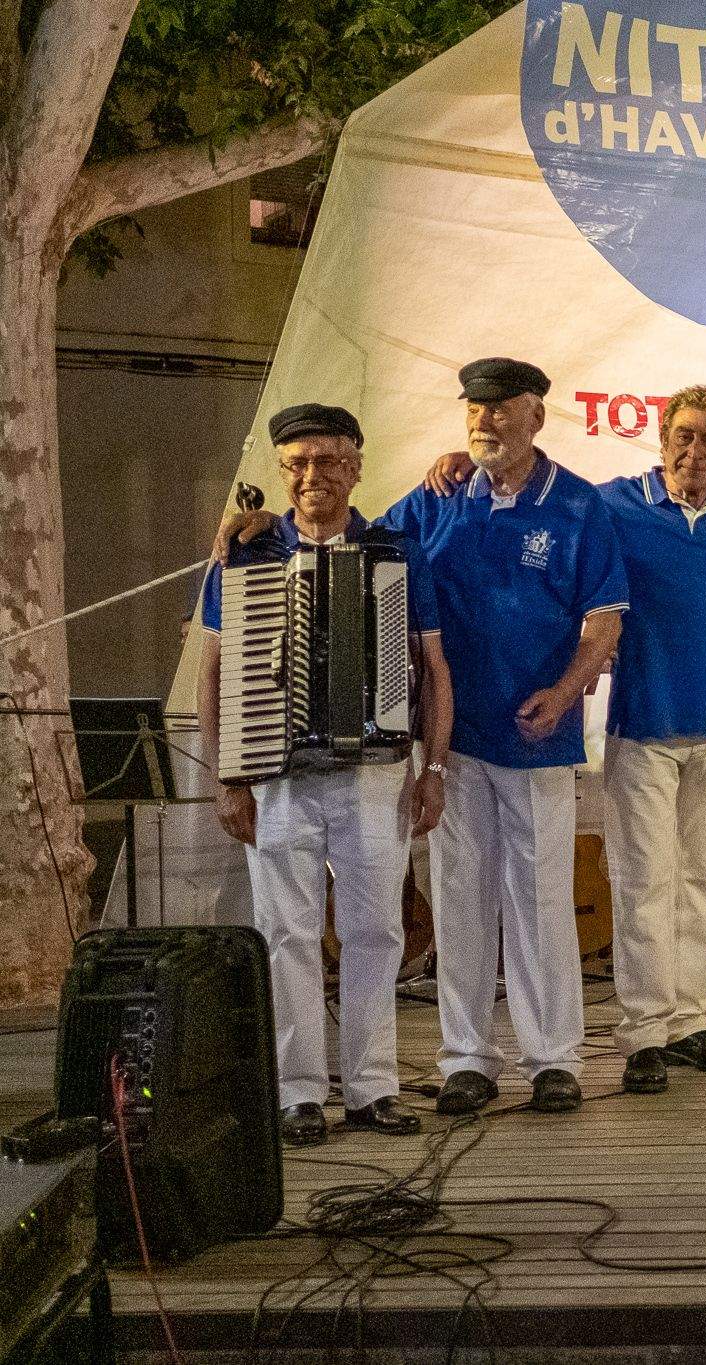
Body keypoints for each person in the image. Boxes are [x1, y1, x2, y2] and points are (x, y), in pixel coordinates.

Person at [199, 403, 451, 1146]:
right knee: (286, 933)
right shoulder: (246, 553)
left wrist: (433, 766)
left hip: (376, 773)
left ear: (356, 466)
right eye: (299, 463)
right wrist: (226, 777)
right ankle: (298, 1091)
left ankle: (372, 1087)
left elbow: (434, 668)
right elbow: (215, 672)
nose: (314, 476)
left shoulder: (395, 551)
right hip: (275, 774)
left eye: (330, 461)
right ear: (282, 471)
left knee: (376, 930)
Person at [383, 358, 629, 1114]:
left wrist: (565, 692)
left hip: (536, 738)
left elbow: (605, 620)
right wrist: (261, 529)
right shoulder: (437, 497)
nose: (485, 421)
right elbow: (357, 545)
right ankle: (466, 1058)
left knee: (541, 901)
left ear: (536, 417)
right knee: (459, 898)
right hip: (452, 742)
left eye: (500, 408)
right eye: (475, 409)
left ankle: (553, 1058)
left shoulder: (579, 506)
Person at [593, 387, 706, 1089]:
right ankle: (643, 1034)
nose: (696, 450)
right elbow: (549, 510)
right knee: (644, 883)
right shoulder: (613, 503)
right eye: (684, 436)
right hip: (646, 726)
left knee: (704, 883)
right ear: (662, 439)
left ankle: (690, 1022)